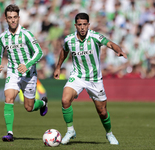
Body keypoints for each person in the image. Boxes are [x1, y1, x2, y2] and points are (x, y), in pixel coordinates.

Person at [54, 12, 127, 145]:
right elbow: (64, 51)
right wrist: (58, 67)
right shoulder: (69, 39)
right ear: (75, 25)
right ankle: (70, 131)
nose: (82, 27)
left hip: (94, 79)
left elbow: (110, 44)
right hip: (77, 76)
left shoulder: (95, 37)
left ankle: (109, 133)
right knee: (65, 100)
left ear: (88, 25)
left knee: (102, 112)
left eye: (84, 24)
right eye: (79, 25)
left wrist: (118, 50)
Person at [0, 4, 48, 142]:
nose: (12, 20)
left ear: (19, 17)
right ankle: (10, 133)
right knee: (8, 98)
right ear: (6, 19)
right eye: (10, 17)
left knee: (29, 108)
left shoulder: (26, 34)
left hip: (29, 74)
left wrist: (27, 64)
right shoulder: (2, 37)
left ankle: (42, 103)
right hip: (13, 72)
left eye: (15, 17)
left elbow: (39, 52)